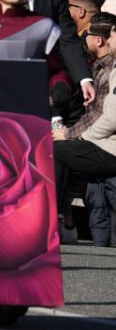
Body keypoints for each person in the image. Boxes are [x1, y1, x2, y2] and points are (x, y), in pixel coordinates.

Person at [56, 16, 116, 246]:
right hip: (104, 141)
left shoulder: (111, 69)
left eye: (113, 36)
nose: (110, 41)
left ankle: (56, 218)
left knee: (57, 151)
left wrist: (74, 135)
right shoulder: (107, 67)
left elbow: (107, 117)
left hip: (109, 145)